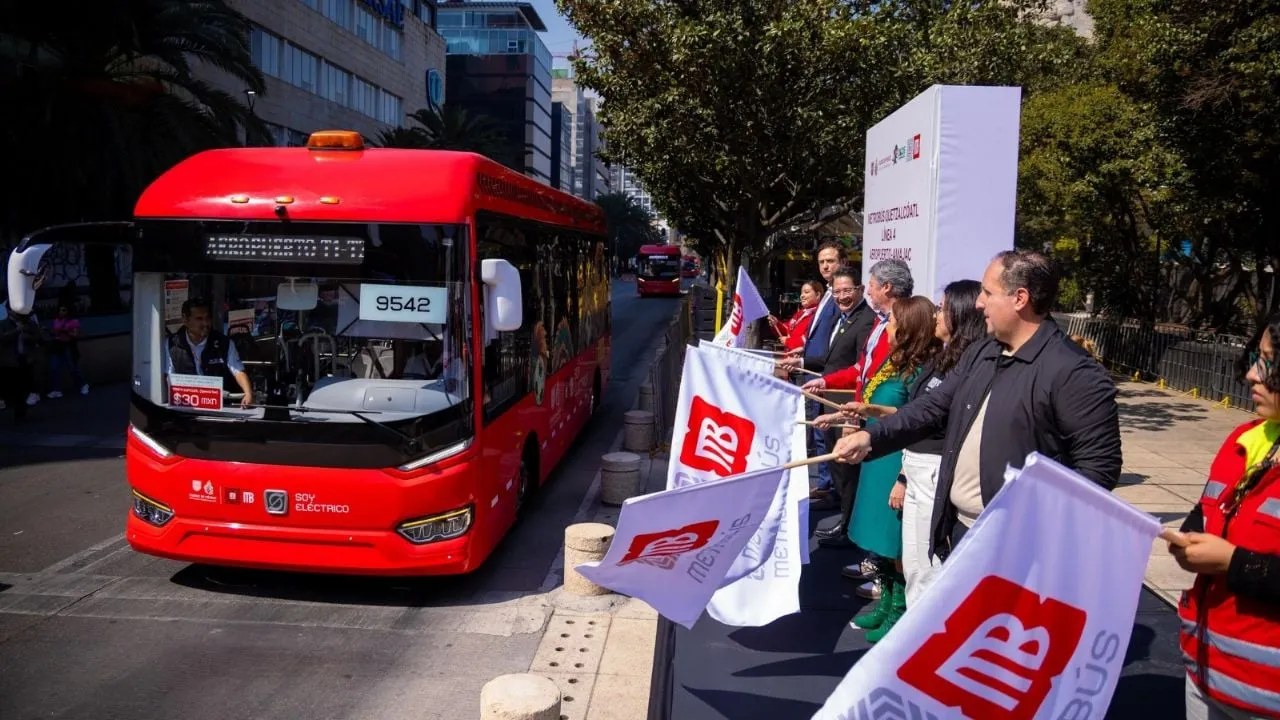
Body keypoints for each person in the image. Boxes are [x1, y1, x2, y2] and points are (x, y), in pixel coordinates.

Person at [832, 250, 1122, 563]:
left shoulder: (1073, 371)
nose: (979, 303)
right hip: (960, 530)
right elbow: (932, 408)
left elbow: (1098, 469)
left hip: (1018, 547)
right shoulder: (983, 352)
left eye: (987, 292)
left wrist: (1039, 527)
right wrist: (871, 437)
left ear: (1020, 298)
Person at [839, 280, 986, 606]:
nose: (936, 315)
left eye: (942, 308)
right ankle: (900, 614)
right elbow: (921, 410)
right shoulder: (945, 362)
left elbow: (932, 417)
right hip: (912, 461)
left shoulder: (968, 367)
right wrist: (869, 424)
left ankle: (913, 621)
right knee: (914, 563)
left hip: (933, 472)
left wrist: (898, 471)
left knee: (925, 565)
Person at [1172, 311, 1280, 720]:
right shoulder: (1245, 438)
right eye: (1257, 358)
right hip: (1206, 677)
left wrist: (1233, 563)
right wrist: (1186, 541)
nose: (1252, 374)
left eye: (1269, 362)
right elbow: (1206, 513)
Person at [815, 295, 938, 641]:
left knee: (894, 540)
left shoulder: (922, 371)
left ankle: (898, 612)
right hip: (878, 457)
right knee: (879, 540)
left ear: (909, 328)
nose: (888, 328)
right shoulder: (895, 361)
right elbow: (874, 401)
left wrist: (902, 478)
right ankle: (885, 603)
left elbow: (914, 418)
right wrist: (847, 415)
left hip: (897, 461)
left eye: (894, 323)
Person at [801, 258, 915, 598]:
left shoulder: (904, 324)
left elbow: (889, 380)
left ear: (887, 288)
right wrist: (827, 382)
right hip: (867, 417)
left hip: (887, 425)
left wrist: (856, 415)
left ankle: (886, 575)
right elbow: (862, 371)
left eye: (872, 285)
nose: (868, 291)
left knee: (885, 506)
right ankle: (876, 563)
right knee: (872, 498)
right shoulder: (881, 322)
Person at [165, 298, 255, 408]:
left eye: (207, 318)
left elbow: (238, 371)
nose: (205, 323)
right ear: (185, 320)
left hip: (220, 405)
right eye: (199, 318)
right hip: (186, 406)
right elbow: (169, 375)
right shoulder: (172, 344)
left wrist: (248, 393)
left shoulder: (224, 343)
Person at [769, 279, 824, 352]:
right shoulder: (801, 312)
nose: (802, 296)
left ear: (817, 295)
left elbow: (811, 340)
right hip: (789, 355)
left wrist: (788, 341)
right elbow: (788, 329)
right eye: (801, 293)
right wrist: (776, 324)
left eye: (806, 292)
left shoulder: (819, 315)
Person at [46, 304, 89, 398]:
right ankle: (56, 389)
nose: (61, 312)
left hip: (68, 345)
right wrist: (51, 332)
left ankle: (83, 385)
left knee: (72, 367)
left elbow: (75, 334)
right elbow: (55, 333)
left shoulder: (73, 321)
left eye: (64, 310)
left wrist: (63, 331)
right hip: (57, 345)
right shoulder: (56, 320)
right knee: (55, 368)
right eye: (60, 310)